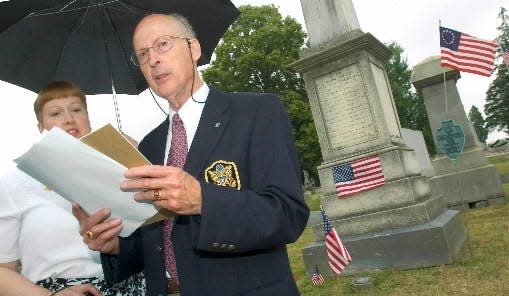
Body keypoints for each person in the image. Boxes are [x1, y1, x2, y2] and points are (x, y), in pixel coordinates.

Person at [73, 13, 309, 296]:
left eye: (162, 44)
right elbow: (156, 243)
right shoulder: (149, 146)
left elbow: (287, 214)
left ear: (194, 49)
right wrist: (114, 246)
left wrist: (203, 200)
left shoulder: (256, 113)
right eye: (143, 54)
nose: (153, 59)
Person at [0, 81, 145, 296]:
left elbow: (158, 243)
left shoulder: (125, 173)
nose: (69, 119)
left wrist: (137, 161)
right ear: (41, 128)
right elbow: (4, 270)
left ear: (88, 120)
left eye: (76, 109)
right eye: (55, 113)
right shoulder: (15, 183)